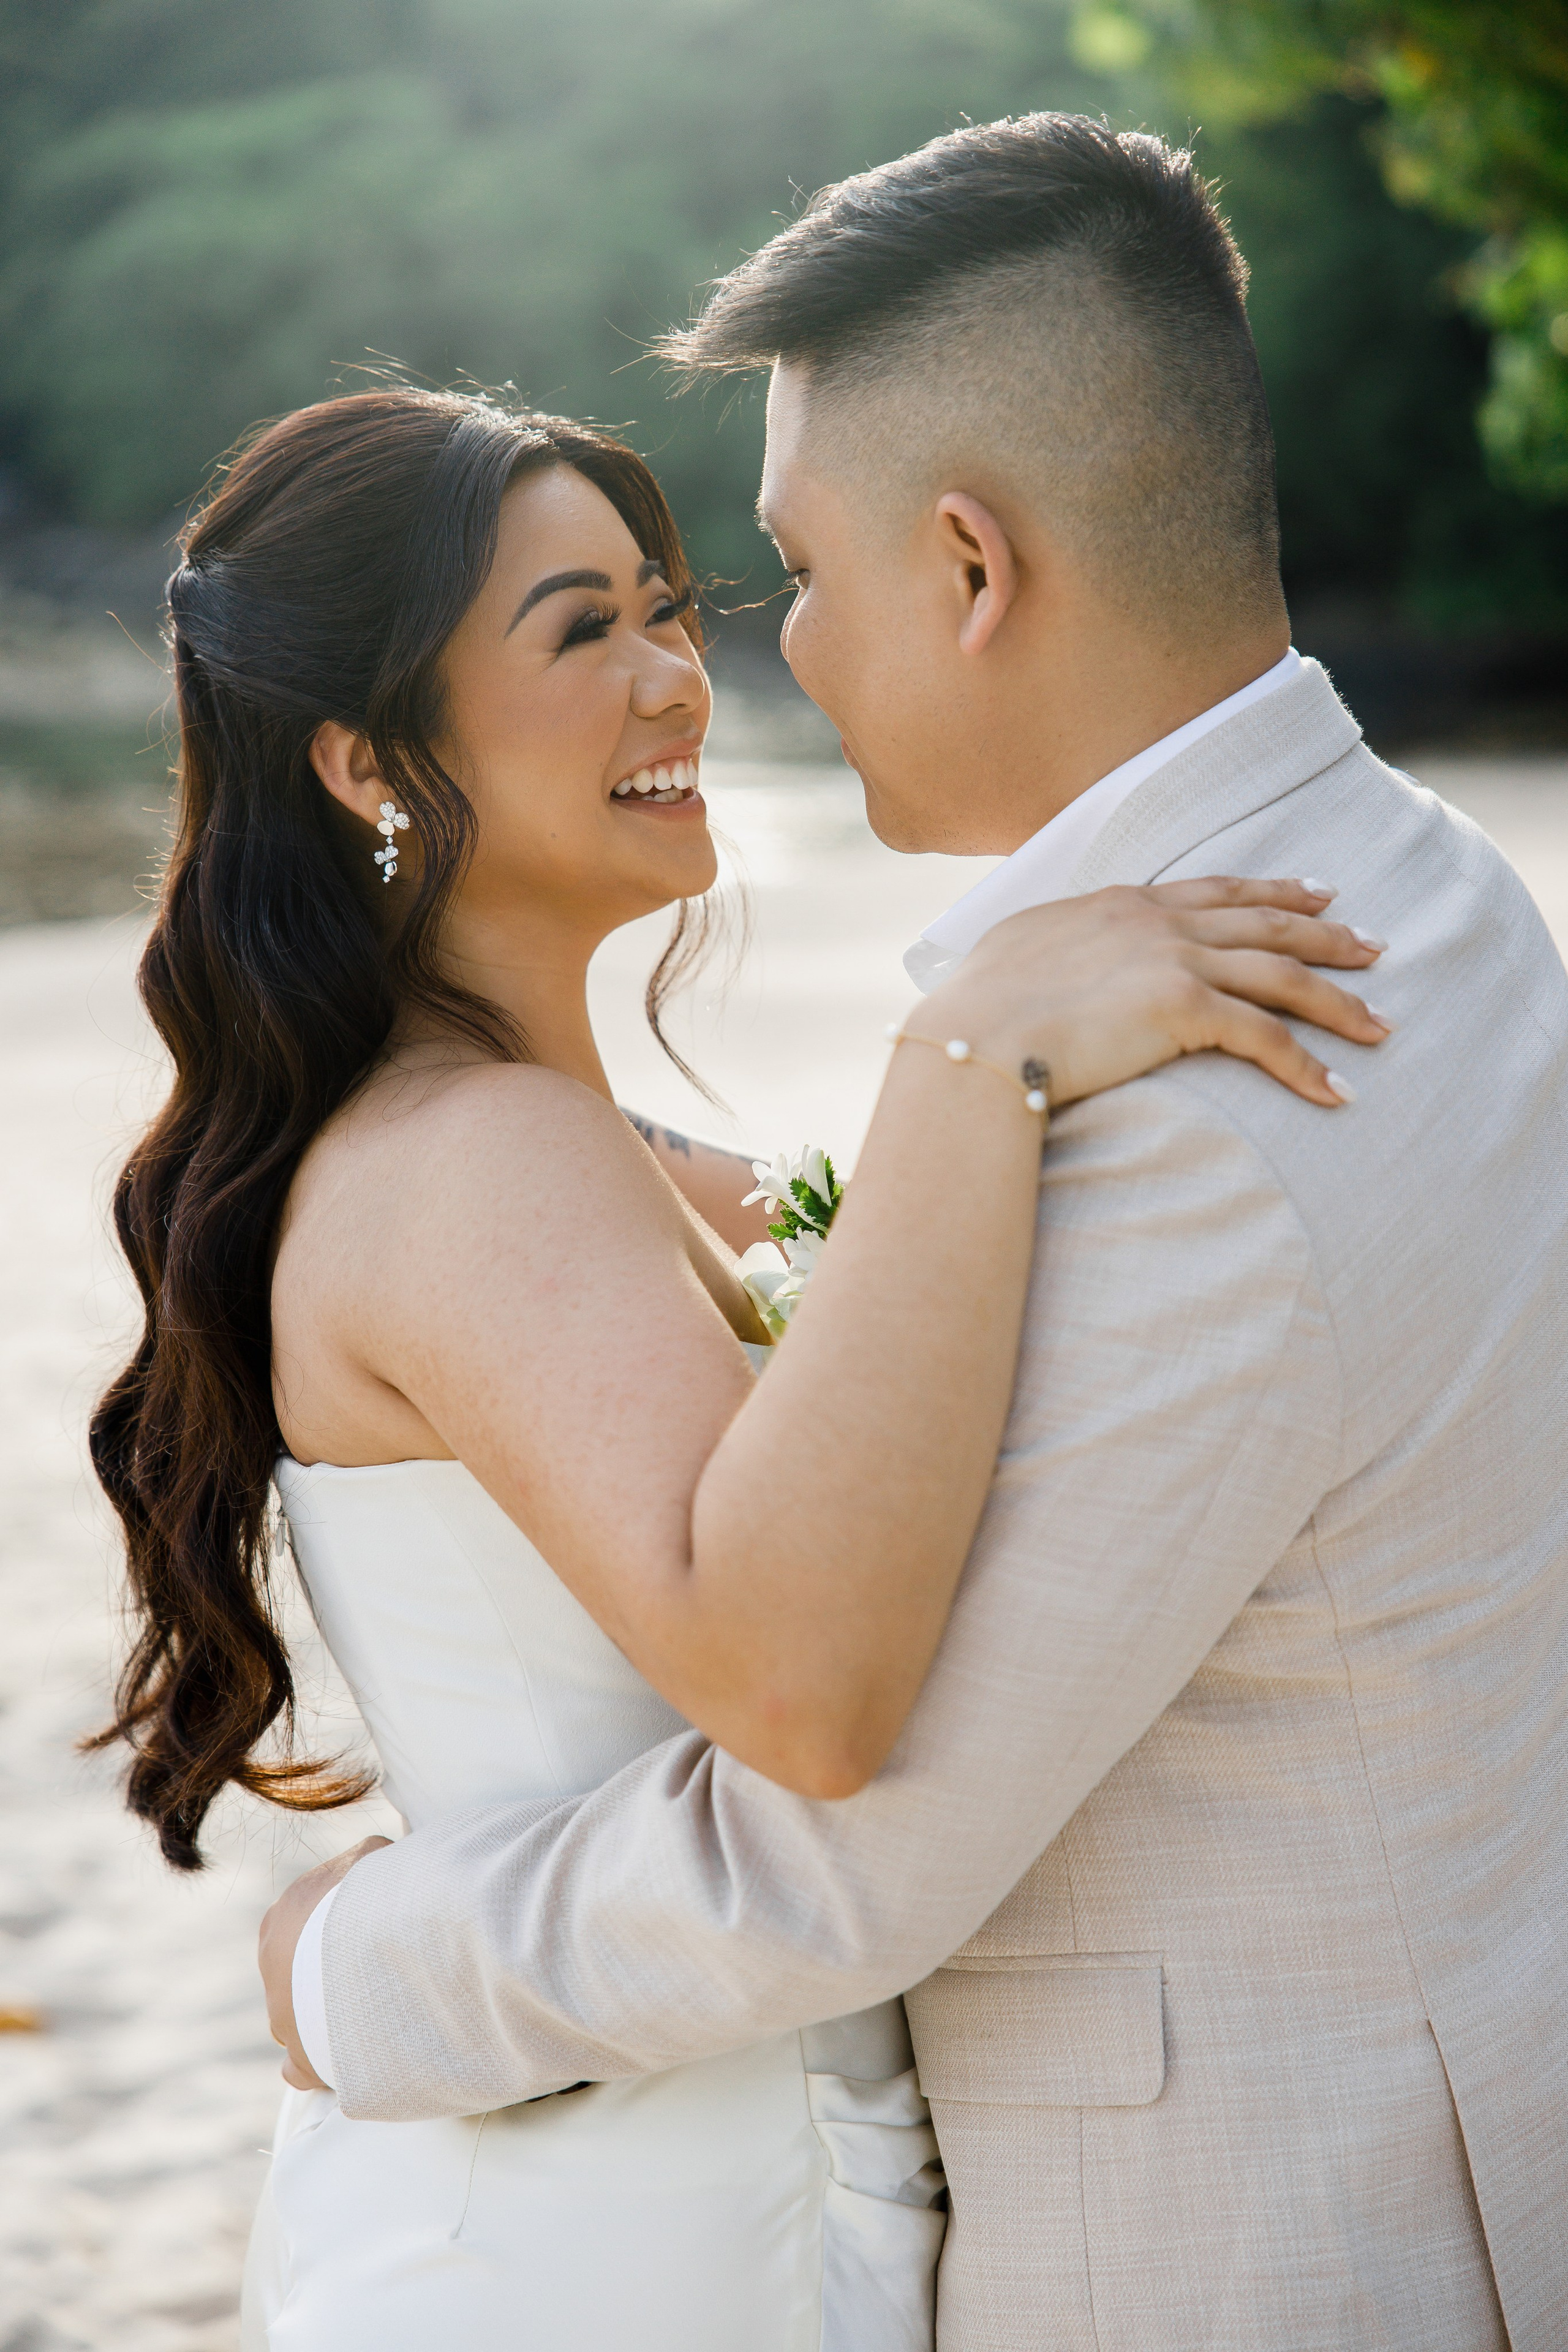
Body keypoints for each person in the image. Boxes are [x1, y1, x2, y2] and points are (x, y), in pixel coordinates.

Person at [260, 116, 1568, 2349]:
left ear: (970, 568)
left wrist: (353, 1969)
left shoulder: (1184, 1094)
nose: (742, 664)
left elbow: (840, 1831)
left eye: (767, 577)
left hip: (1235, 2243)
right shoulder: (1426, 890)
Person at [89, 378, 1372, 2350]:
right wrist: (976, 1053)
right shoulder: (468, 1164)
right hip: (621, 2233)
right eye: (578, 630)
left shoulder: (601, 1158)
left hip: (688, 2145)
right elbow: (798, 1691)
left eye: (666, 606)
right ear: (367, 759)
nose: (677, 678)